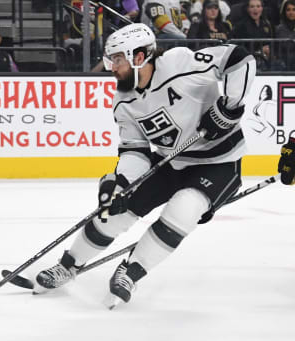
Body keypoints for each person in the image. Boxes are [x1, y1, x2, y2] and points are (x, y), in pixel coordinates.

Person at [35, 23, 255, 307]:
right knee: (116, 211)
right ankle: (68, 265)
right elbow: (135, 151)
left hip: (219, 161)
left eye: (117, 59)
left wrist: (229, 106)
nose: (111, 67)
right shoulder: (123, 101)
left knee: (183, 209)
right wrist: (119, 183)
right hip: (170, 161)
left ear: (139, 57)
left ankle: (131, 271)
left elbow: (238, 59)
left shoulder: (179, 63)